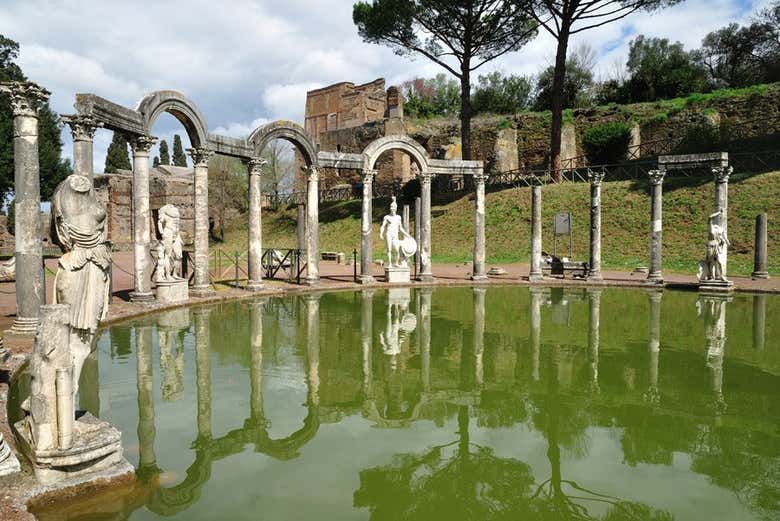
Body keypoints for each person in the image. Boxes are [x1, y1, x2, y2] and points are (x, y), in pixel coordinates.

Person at [380, 197, 414, 268]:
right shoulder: (387, 217)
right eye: (391, 207)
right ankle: (389, 264)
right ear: (390, 208)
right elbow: (383, 226)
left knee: (397, 250)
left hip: (395, 234)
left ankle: (396, 263)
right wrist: (381, 233)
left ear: (396, 208)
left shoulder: (398, 217)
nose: (393, 209)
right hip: (389, 234)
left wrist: (407, 234)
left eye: (394, 207)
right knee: (389, 249)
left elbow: (400, 228)